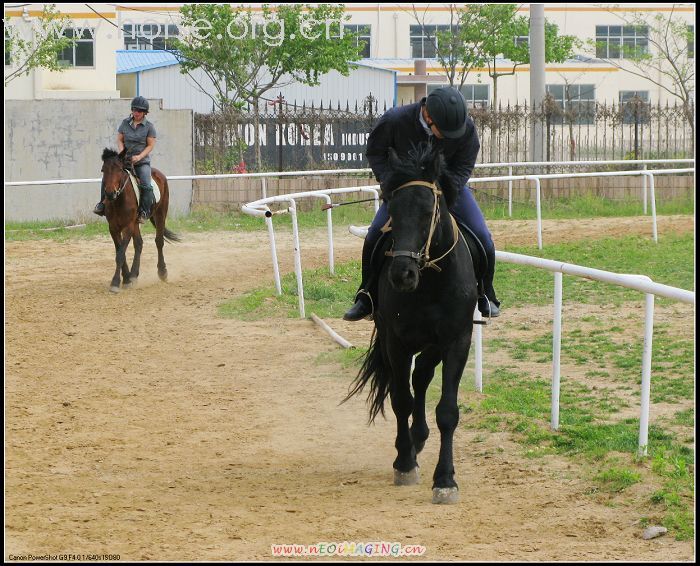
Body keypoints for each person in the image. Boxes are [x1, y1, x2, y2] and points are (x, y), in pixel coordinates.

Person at [343, 87, 501, 321]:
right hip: (404, 193)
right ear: (428, 117)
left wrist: (449, 190)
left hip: (448, 191)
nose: (449, 137)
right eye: (445, 132)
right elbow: (375, 152)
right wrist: (389, 183)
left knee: (483, 236)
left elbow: (464, 164)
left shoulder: (465, 127)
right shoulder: (394, 120)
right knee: (375, 234)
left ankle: (486, 293)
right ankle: (367, 294)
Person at [94, 96, 157, 224]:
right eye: (134, 110)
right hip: (124, 160)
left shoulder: (149, 127)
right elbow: (120, 139)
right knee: (108, 177)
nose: (136, 113)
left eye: (139, 111)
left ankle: (144, 211)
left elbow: (150, 145)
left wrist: (139, 157)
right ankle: (102, 204)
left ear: (145, 112)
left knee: (145, 182)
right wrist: (122, 153)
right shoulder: (124, 123)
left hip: (141, 161)